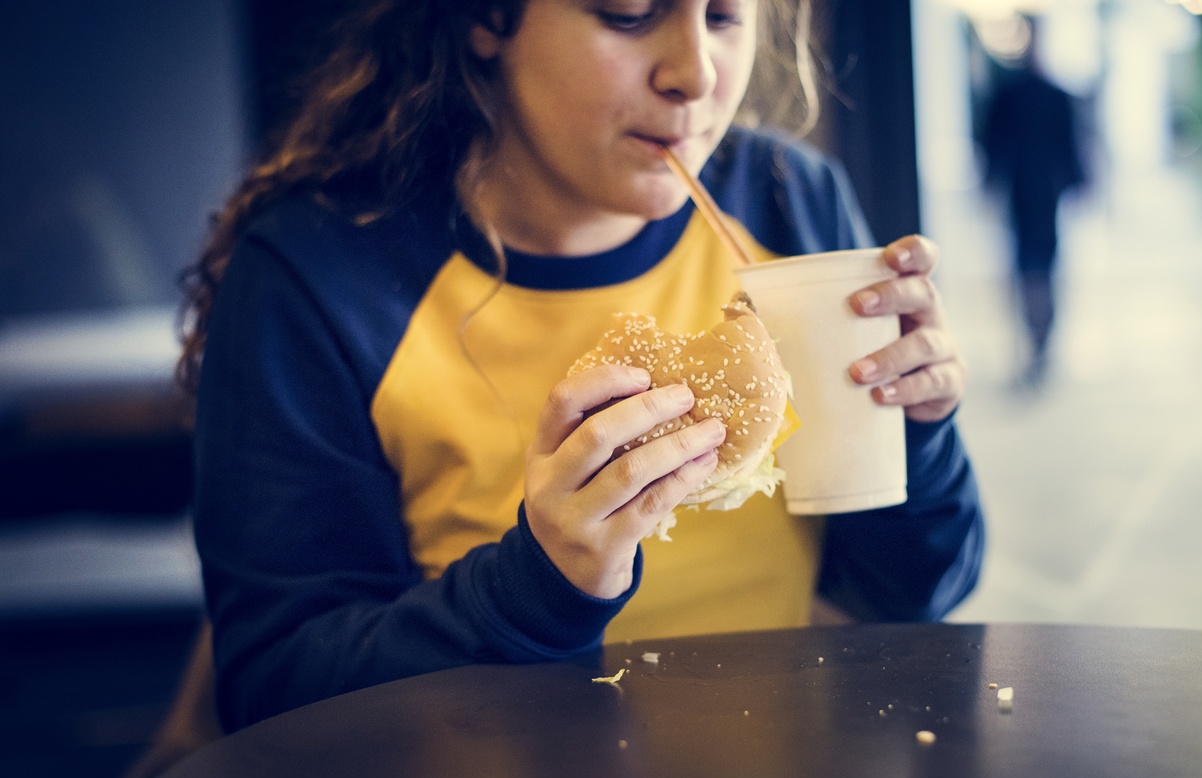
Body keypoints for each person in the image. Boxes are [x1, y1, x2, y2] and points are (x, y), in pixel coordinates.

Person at [180, 0, 984, 733]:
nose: (695, 73)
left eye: (726, 16)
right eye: (630, 14)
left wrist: (915, 432)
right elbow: (276, 692)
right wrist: (539, 585)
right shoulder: (315, 277)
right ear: (487, 20)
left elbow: (915, 593)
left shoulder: (789, 198)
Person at [978, 18, 1087, 389]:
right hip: (1024, 194)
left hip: (1043, 195)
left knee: (1042, 266)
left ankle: (1043, 338)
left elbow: (1070, 145)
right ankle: (1035, 338)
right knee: (1029, 267)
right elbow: (993, 145)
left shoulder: (1050, 95)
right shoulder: (1013, 94)